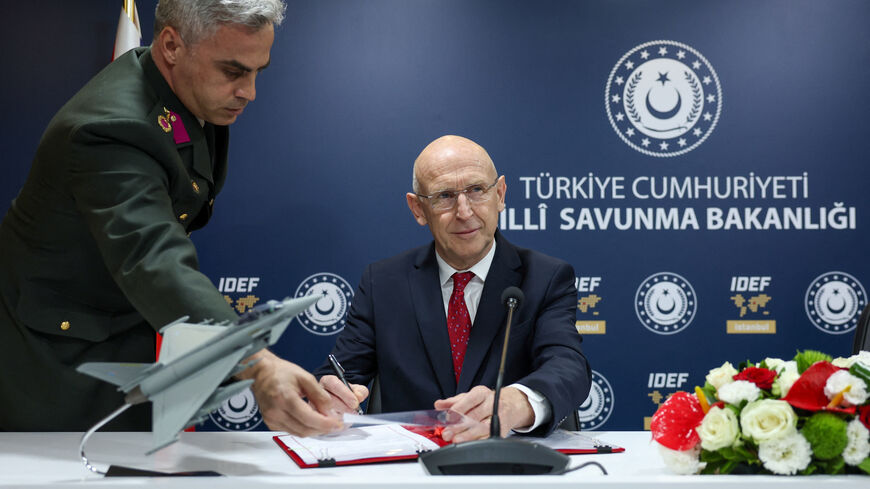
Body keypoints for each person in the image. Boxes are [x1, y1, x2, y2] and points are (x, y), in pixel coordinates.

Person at [0, 0, 341, 436]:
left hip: (129, 322)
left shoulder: (190, 93)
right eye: (234, 71)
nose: (249, 92)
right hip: (55, 355)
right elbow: (151, 256)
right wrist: (255, 364)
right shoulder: (111, 128)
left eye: (259, 72)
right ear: (171, 45)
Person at [317, 135, 591, 442]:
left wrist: (516, 402)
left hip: (512, 465)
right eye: (445, 196)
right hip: (409, 471)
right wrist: (331, 396)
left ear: (500, 194)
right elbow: (339, 375)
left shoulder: (545, 277)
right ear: (418, 208)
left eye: (476, 190)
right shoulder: (383, 283)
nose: (464, 212)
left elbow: (568, 367)